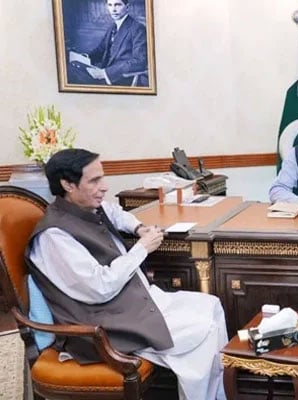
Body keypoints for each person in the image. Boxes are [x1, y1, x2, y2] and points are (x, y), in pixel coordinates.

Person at [26, 149, 226, 400]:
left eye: (103, 178)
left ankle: (217, 396)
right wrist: (141, 249)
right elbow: (99, 287)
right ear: (68, 184)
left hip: (128, 303)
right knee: (204, 329)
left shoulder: (87, 207)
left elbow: (115, 213)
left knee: (213, 305)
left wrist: (138, 227)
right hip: (103, 325)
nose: (104, 187)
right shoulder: (53, 237)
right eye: (94, 181)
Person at [67, 0, 147, 86]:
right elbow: (101, 49)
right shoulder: (112, 27)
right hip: (103, 73)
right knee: (73, 69)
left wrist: (105, 73)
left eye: (118, 5)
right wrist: (86, 57)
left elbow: (139, 61)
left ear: (127, 7)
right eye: (110, 5)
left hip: (120, 79)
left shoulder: (138, 28)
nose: (113, 9)